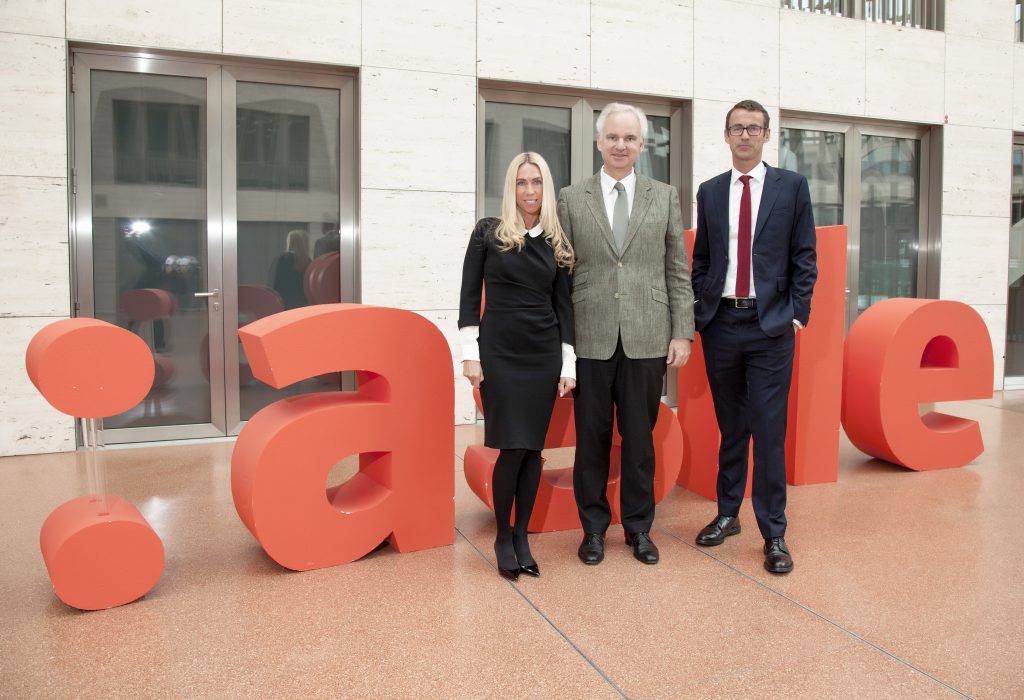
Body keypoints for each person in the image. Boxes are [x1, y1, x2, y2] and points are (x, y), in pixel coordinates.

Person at [557, 103, 694, 566]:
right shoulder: (572, 197)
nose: (620, 145)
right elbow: (563, 273)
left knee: (639, 440)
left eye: (629, 138)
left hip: (648, 336)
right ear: (598, 142)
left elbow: (677, 268)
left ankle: (638, 529)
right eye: (612, 137)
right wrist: (565, 344)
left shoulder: (665, 196)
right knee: (591, 441)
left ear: (641, 145)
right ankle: (592, 530)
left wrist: (682, 332)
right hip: (591, 336)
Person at [691, 99, 817, 574]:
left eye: (753, 129)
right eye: (737, 128)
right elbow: (703, 257)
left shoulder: (792, 187)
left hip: (770, 327)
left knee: (768, 430)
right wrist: (701, 310)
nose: (745, 136)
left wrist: (796, 314)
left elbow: (805, 255)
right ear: (725, 136)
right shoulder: (711, 191)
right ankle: (728, 514)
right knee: (731, 427)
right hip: (722, 324)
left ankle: (775, 532)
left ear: (767, 135)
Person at [459, 152, 576, 581]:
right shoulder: (488, 233)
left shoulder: (557, 243)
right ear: (512, 188)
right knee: (511, 450)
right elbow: (469, 298)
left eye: (537, 182)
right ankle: (503, 535)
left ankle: (522, 536)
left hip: (543, 356)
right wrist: (470, 354)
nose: (529, 191)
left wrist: (569, 365)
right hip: (500, 356)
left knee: (532, 451)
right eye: (522, 183)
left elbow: (564, 308)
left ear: (546, 188)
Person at [270, 229, 311, 309]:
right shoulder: (307, 260)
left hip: (285, 301)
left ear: (289, 242)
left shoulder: (282, 259)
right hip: (302, 302)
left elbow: (275, 281)